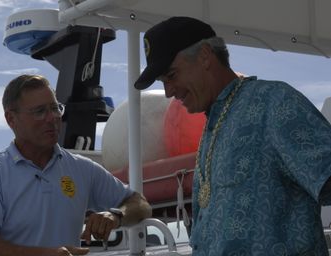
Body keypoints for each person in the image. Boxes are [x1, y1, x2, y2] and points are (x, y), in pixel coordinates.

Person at [134, 16, 331, 255]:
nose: (167, 92)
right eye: (162, 82)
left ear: (205, 56)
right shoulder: (212, 129)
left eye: (172, 75)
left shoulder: (275, 103)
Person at [0, 74, 152, 256]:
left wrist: (116, 216)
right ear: (11, 119)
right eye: (39, 112)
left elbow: (140, 204)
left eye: (55, 108)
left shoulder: (82, 168)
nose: (52, 117)